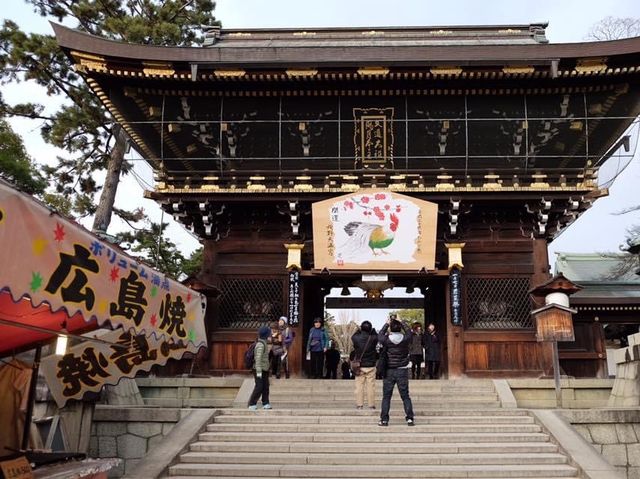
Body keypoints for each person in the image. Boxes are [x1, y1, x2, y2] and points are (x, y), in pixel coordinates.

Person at [377, 314, 415, 426]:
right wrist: (401, 321)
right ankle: (409, 418)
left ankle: (384, 419)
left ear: (390, 328)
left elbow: (380, 335)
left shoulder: (387, 340)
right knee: (405, 396)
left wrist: (387, 323)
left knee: (386, 396)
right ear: (400, 328)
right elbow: (409, 332)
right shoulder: (406, 339)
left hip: (389, 370)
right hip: (402, 370)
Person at [351, 320, 378, 409]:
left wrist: (359, 330)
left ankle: (359, 404)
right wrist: (372, 330)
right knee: (371, 386)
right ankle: (371, 404)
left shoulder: (356, 338)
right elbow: (376, 335)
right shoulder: (373, 338)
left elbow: (354, 335)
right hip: (370, 365)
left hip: (360, 365)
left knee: (359, 386)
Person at [248, 325, 272, 410]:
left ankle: (265, 403)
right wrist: (258, 372)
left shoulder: (264, 343)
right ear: (266, 335)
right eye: (269, 334)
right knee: (259, 386)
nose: (270, 335)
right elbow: (257, 359)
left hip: (264, 369)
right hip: (259, 369)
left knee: (266, 386)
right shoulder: (260, 345)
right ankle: (252, 403)